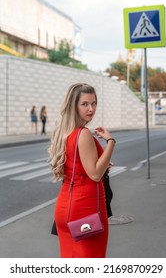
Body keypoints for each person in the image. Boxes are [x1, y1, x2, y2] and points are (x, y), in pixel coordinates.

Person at [48, 83, 116, 258]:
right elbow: (94, 174)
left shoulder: (63, 132)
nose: (91, 109)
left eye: (93, 103)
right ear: (73, 106)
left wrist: (102, 161)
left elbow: (77, 165)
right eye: (85, 104)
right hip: (86, 208)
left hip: (65, 206)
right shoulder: (83, 133)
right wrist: (110, 142)